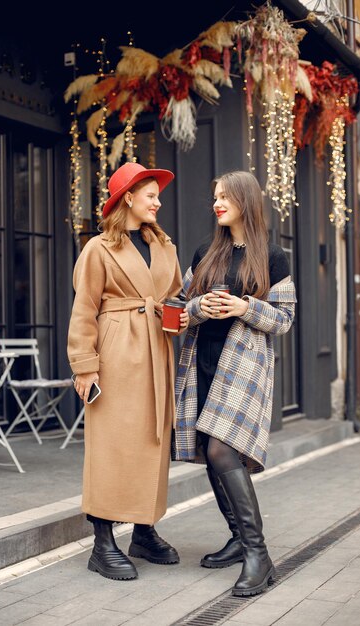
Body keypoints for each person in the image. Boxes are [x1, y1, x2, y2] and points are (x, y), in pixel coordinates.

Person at [173, 170, 296, 597]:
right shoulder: (205, 251)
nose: (217, 203)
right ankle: (239, 538)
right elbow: (180, 307)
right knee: (211, 451)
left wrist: (245, 306)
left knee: (223, 449)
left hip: (243, 368)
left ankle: (258, 556)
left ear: (246, 199)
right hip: (202, 362)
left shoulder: (273, 256)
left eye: (225, 196)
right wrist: (200, 305)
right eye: (215, 196)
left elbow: (284, 318)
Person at [67, 162, 188, 581]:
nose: (158, 201)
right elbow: (83, 309)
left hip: (157, 349)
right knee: (112, 443)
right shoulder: (98, 249)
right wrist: (85, 368)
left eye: (158, 195)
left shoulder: (165, 247)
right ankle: (103, 543)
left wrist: (180, 315)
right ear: (128, 198)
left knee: (152, 441)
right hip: (116, 350)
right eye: (151, 194)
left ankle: (144, 531)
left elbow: (173, 295)